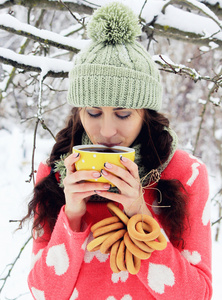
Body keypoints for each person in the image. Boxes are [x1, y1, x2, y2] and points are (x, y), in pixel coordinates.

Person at [22, 2, 212, 299]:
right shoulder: (55, 173)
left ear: (145, 113)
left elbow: (197, 295)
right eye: (94, 113)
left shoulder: (185, 174)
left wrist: (139, 212)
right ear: (78, 112)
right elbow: (43, 292)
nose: (107, 131)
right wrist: (72, 214)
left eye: (123, 114)